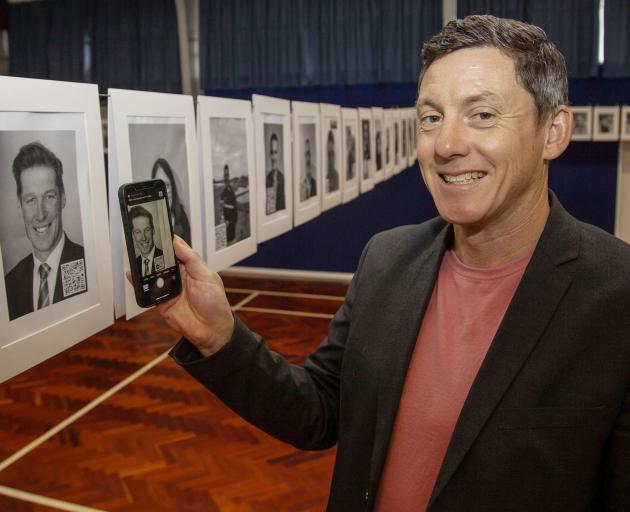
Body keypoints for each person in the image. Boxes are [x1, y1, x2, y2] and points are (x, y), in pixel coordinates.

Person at [159, 15, 630, 511]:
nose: (446, 144)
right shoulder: (386, 258)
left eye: (482, 115)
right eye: (431, 117)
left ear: (553, 131)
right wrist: (219, 338)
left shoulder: (615, 296)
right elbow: (320, 410)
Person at [5, 142, 87, 321]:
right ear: (20, 207)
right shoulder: (9, 285)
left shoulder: (89, 266)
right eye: (31, 200)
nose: (40, 214)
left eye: (49, 196)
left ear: (63, 198)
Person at [151, 158, 191, 246]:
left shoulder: (181, 216)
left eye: (167, 185)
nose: (164, 192)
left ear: (172, 186)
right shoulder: (149, 222)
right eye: (159, 186)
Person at [129, 205, 163, 277]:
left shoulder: (165, 257)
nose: (143, 238)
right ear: (133, 235)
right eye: (138, 232)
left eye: (147, 230)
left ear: (153, 231)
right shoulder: (135, 264)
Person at [265, 132, 285, 214]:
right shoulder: (266, 179)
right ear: (269, 155)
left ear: (279, 154)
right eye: (272, 152)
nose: (273, 157)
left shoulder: (282, 178)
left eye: (275, 152)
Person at [220, 164, 238, 243]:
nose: (225, 178)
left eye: (227, 175)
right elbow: (221, 210)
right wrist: (222, 218)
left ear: (229, 176)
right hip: (223, 234)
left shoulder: (232, 193)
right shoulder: (222, 193)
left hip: (231, 236)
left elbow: (236, 216)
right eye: (224, 175)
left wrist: (229, 222)